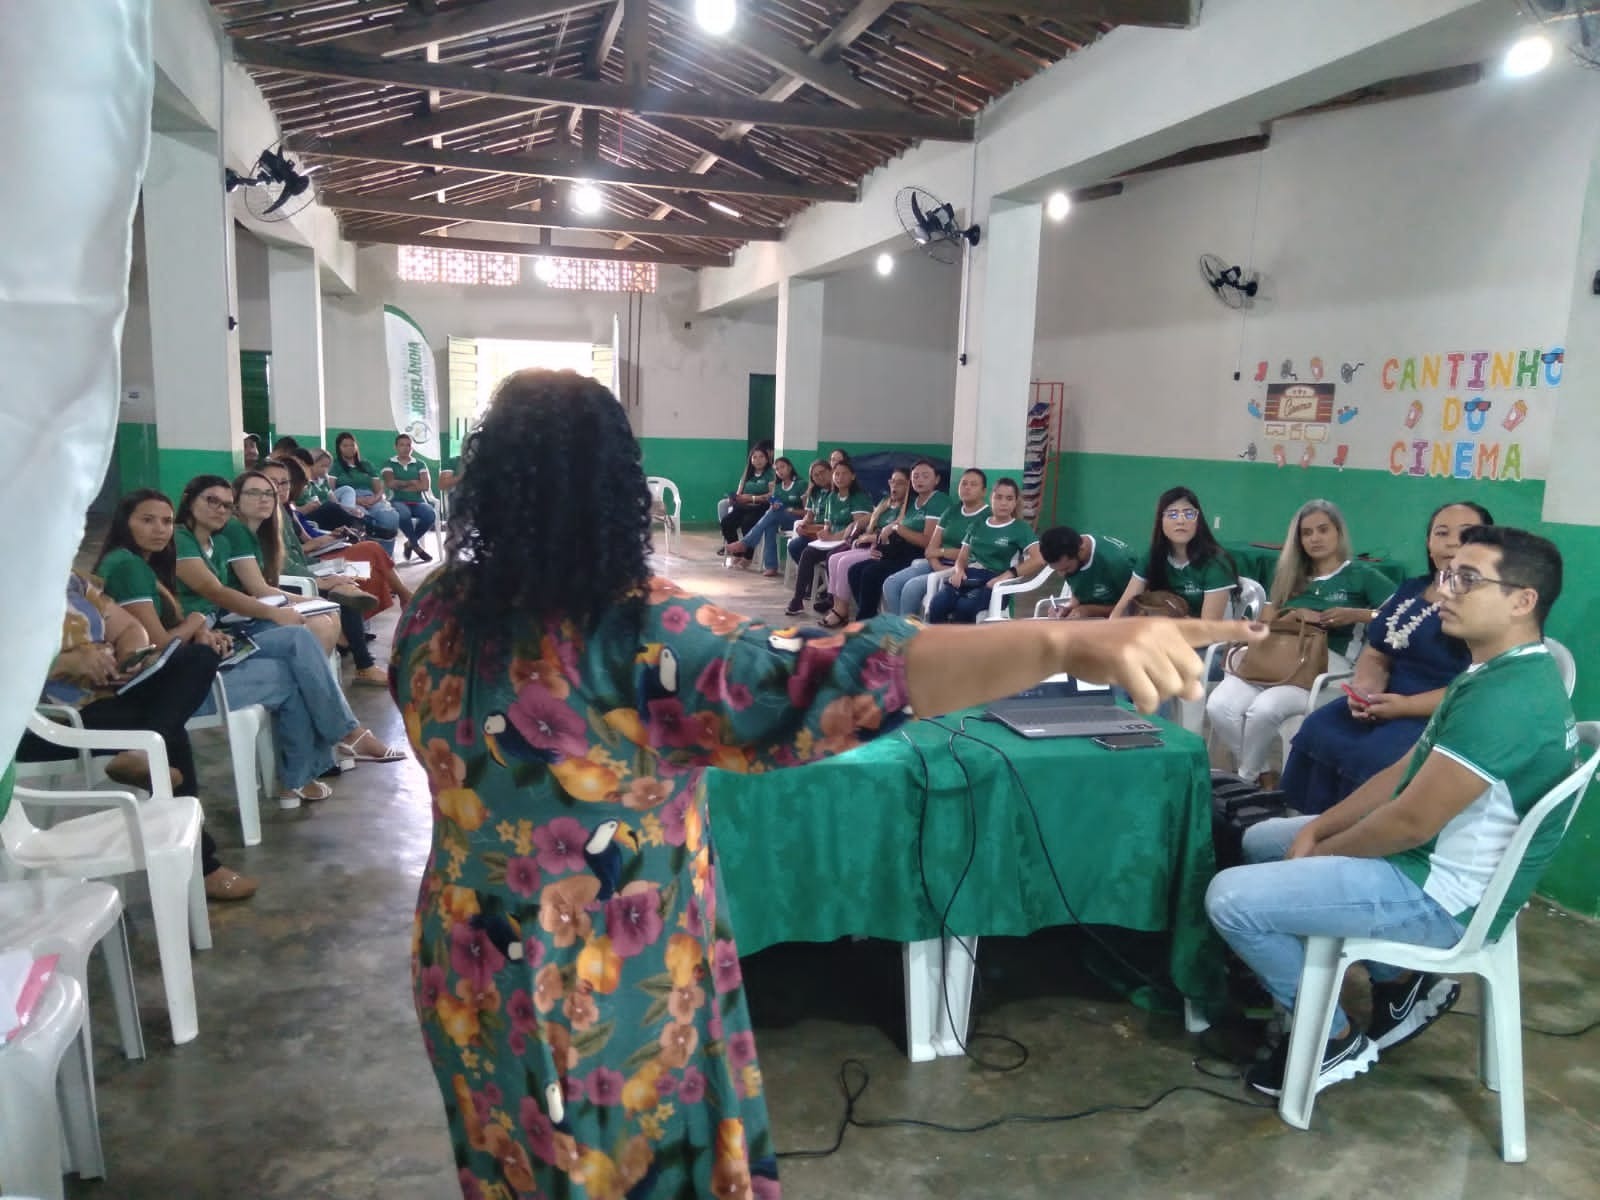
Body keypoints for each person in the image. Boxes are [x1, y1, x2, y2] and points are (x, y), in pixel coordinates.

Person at [390, 367, 1259, 1200]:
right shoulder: (640, 629)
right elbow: (835, 673)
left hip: (467, 960)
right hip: (604, 983)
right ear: (617, 488)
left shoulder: (436, 611)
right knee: (618, 1165)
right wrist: (1059, 644)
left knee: (509, 1160)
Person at [1207, 526, 1575, 1098]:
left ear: (1522, 601)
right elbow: (1403, 773)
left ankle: (1332, 1040)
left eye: (1468, 579)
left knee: (1230, 898)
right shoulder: (1489, 672)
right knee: (1262, 841)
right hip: (1424, 859)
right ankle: (1399, 982)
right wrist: (1320, 829)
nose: (1444, 591)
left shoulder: (1509, 699)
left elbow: (1409, 822)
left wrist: (1320, 853)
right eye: (1448, 575)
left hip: (1445, 897)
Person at [16, 571, 257, 900]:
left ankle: (146, 751)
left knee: (199, 656)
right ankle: (202, 867)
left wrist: (129, 657)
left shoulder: (68, 580)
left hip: (108, 693)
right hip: (49, 720)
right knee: (164, 730)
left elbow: (130, 627)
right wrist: (60, 663)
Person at [172, 475, 404, 803]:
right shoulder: (181, 540)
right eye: (212, 501)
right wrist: (275, 612)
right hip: (205, 646)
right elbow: (216, 592)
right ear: (188, 499)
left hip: (221, 636)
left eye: (225, 504)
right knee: (298, 646)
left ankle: (299, 775)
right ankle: (344, 735)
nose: (220, 509)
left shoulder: (218, 542)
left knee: (298, 651)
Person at [1277, 501, 1491, 814]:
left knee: (1374, 757)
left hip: (1440, 712)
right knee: (1319, 728)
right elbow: (1377, 650)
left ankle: (1351, 836)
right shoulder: (1412, 589)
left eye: (1466, 533)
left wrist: (1403, 706)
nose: (1451, 542)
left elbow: (1481, 686)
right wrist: (1365, 690)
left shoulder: (1487, 605)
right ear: (1428, 543)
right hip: (1384, 700)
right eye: (1441, 533)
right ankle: (1307, 825)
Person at [1206, 501, 1395, 787]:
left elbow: (1401, 613)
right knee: (1219, 705)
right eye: (1307, 533)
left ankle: (1245, 780)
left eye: (1323, 530)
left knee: (1264, 709)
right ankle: (1263, 773)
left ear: (1338, 532)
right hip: (1274, 658)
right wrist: (1292, 615)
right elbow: (1265, 624)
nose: (1315, 538)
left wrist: (1357, 615)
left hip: (1326, 665)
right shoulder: (1288, 575)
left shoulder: (1362, 575)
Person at [256, 458, 388, 686]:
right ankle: (363, 663)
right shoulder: (262, 518)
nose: (280, 488)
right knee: (344, 592)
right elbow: (281, 565)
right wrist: (319, 579)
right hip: (286, 583)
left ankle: (354, 645)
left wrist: (326, 566)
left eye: (284, 483)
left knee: (348, 576)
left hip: (302, 568)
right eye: (272, 483)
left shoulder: (282, 512)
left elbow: (297, 554)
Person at [277, 452, 414, 613]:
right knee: (370, 554)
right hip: (310, 561)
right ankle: (404, 596)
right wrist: (322, 545)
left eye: (285, 483)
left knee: (371, 553)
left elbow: (306, 540)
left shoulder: (286, 509)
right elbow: (295, 553)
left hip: (313, 553)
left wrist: (332, 536)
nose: (305, 488)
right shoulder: (275, 515)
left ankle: (401, 596)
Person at [927, 478, 1041, 624]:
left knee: (965, 607)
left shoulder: (1020, 528)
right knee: (938, 603)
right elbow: (962, 557)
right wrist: (959, 571)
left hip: (996, 582)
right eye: (998, 497)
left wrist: (1006, 575)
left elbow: (1038, 560)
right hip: (969, 576)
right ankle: (938, 638)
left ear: (1015, 502)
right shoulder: (978, 524)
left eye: (1009, 498)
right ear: (991, 498)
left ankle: (962, 639)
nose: (1003, 503)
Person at [1113, 487, 1238, 620]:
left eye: (1189, 514)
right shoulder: (1152, 556)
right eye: (1172, 514)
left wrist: (1173, 621)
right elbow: (1121, 610)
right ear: (1161, 520)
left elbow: (1208, 626)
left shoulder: (1215, 563)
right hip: (1167, 628)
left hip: (1204, 631)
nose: (1180, 521)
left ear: (1198, 520)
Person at [848, 460, 949, 620]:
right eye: (916, 476)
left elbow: (927, 541)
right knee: (855, 570)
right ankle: (872, 618)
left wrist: (897, 528)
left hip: (918, 555)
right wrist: (878, 546)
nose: (919, 480)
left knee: (871, 573)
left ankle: (872, 622)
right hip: (899, 551)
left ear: (936, 479)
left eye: (925, 476)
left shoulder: (938, 501)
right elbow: (894, 528)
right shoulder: (912, 501)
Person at [885, 467, 989, 618]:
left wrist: (941, 553)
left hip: (963, 570)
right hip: (937, 565)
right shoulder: (951, 511)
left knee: (912, 588)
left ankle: (908, 631)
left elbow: (972, 554)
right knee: (891, 583)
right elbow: (930, 550)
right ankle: (902, 628)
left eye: (973, 484)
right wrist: (937, 566)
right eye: (964, 483)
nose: (967, 487)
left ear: (984, 491)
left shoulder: (987, 517)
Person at [818, 467, 910, 628]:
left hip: (883, 548)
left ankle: (842, 611)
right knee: (833, 559)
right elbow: (870, 520)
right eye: (892, 482)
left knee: (844, 563)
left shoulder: (907, 508)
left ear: (909, 486)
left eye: (900, 483)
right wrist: (860, 531)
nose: (894, 486)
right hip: (870, 543)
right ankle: (837, 607)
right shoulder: (885, 503)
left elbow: (893, 534)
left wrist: (870, 537)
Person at [784, 458, 871, 617]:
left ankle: (832, 599)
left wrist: (832, 537)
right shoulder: (832, 497)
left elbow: (856, 528)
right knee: (807, 552)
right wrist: (824, 533)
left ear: (853, 476)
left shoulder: (859, 497)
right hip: (831, 541)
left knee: (832, 556)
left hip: (850, 542)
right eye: (837, 474)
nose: (839, 477)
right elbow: (827, 525)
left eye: (844, 474)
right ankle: (797, 600)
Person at [729, 455, 806, 577]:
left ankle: (745, 543)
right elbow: (775, 506)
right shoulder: (778, 487)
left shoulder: (801, 484)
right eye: (777, 469)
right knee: (770, 525)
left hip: (798, 521)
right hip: (780, 519)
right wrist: (773, 505)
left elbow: (807, 511)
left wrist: (791, 510)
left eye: (782, 467)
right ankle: (771, 566)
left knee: (773, 514)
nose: (780, 471)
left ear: (790, 468)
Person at [1039, 525, 1135, 620]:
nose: (1062, 574)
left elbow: (1133, 609)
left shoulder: (1118, 563)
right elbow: (1078, 595)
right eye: (1057, 570)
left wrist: (1089, 610)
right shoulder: (1069, 553)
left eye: (1066, 569)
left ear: (1081, 551)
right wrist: (1067, 609)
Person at [330, 431, 401, 554]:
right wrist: (357, 500)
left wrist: (374, 499)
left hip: (372, 499)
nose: (349, 448)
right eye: (345, 445)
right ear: (339, 448)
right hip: (350, 500)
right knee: (363, 519)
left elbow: (379, 489)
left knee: (390, 517)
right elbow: (332, 491)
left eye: (352, 445)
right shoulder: (335, 466)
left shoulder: (366, 465)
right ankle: (369, 556)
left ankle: (386, 556)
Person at [383, 432, 438, 563]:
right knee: (403, 514)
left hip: (418, 501)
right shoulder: (389, 463)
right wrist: (412, 482)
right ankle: (417, 547)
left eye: (408, 445)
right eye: (402, 445)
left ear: (412, 447)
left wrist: (401, 484)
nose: (405, 448)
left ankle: (410, 543)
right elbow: (390, 483)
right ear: (396, 447)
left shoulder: (420, 464)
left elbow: (425, 486)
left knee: (430, 514)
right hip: (397, 500)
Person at [718, 445, 776, 567]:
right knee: (726, 522)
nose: (758, 460)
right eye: (754, 457)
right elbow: (739, 492)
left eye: (761, 457)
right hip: (744, 506)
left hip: (761, 507)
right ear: (751, 460)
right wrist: (735, 497)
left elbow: (772, 495)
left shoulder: (771, 474)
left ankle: (748, 556)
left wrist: (752, 498)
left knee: (747, 523)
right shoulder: (747, 474)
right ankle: (738, 553)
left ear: (767, 459)